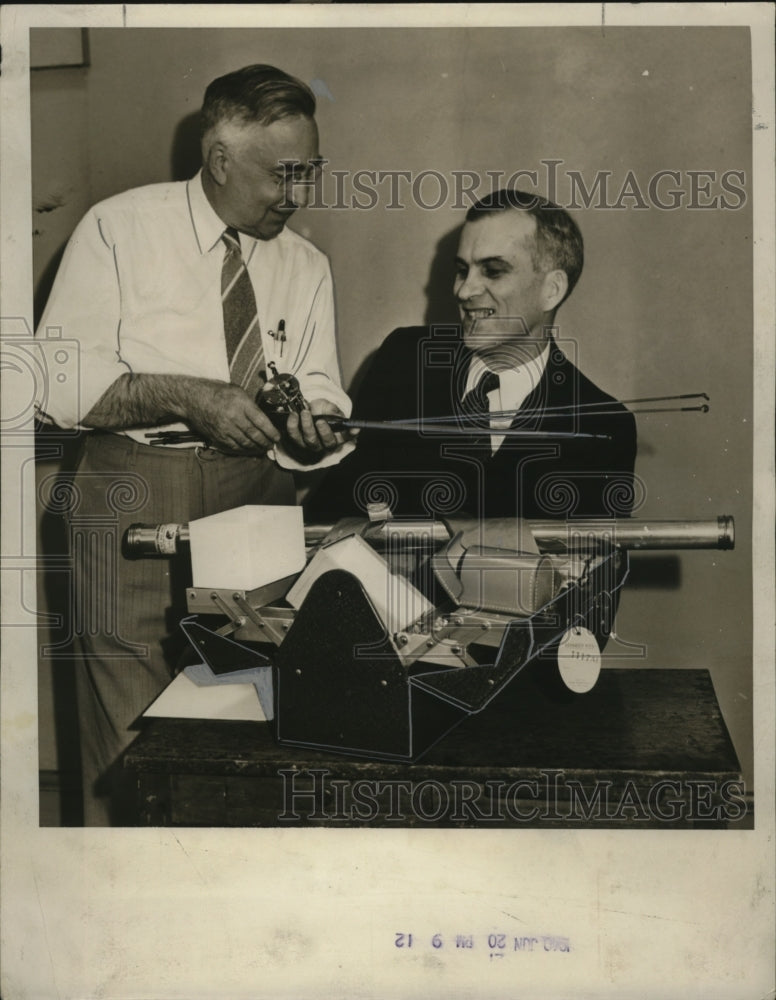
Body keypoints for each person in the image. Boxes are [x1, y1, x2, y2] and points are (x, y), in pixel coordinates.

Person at [34, 64, 354, 825]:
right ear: (218, 159)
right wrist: (189, 395)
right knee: (127, 742)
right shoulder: (120, 228)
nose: (297, 196)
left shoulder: (306, 265)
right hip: (130, 487)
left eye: (309, 172)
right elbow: (56, 383)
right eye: (283, 175)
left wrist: (315, 424)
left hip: (257, 494)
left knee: (255, 714)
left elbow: (321, 381)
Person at [308, 189, 637, 524]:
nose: (463, 291)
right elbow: (332, 508)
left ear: (551, 290)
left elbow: (595, 571)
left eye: (493, 271)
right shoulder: (404, 359)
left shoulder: (604, 426)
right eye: (462, 270)